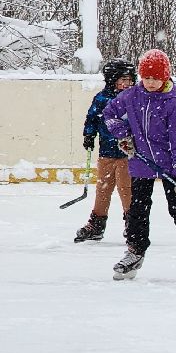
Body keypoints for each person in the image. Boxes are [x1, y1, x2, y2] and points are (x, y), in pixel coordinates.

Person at [103, 48, 176, 280]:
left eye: (156, 78)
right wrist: (124, 136)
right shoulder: (131, 96)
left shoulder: (173, 105)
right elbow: (109, 113)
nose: (150, 82)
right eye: (146, 77)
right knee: (138, 210)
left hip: (170, 165)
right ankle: (135, 251)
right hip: (142, 163)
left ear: (165, 77)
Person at [74, 58, 136, 242]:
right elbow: (92, 117)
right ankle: (96, 225)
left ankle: (133, 225)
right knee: (103, 189)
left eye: (130, 80)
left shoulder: (134, 98)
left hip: (128, 154)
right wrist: (89, 134)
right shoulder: (102, 98)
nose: (126, 84)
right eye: (122, 80)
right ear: (112, 79)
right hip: (106, 153)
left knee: (127, 189)